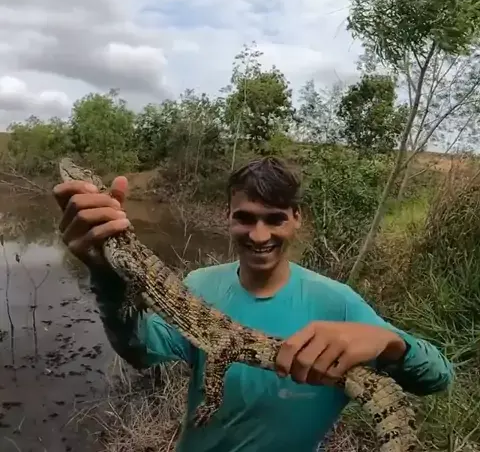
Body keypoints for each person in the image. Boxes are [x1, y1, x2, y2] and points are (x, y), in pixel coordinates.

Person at [53, 157, 454, 452]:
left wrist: (390, 343)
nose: (259, 235)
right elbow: (139, 350)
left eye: (275, 219)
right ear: (227, 217)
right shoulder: (200, 283)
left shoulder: (340, 303)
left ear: (297, 218)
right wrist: (105, 277)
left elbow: (438, 377)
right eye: (245, 218)